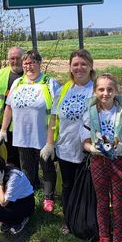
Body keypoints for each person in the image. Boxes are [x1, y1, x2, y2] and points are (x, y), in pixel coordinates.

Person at [80, 73, 122, 242]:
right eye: (101, 89)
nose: (105, 93)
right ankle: (104, 239)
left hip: (119, 161)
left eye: (110, 89)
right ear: (95, 91)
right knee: (102, 201)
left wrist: (120, 146)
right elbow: (85, 140)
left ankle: (118, 240)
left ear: (116, 91)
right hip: (98, 162)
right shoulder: (90, 112)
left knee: (118, 202)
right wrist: (92, 149)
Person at [0, 49, 60, 213]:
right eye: (25, 63)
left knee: (46, 167)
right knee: (26, 168)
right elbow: (8, 107)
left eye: (32, 62)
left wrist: (51, 141)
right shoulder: (17, 83)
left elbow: (56, 113)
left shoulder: (49, 83)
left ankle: (48, 198)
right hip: (22, 135)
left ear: (39, 63)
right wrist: (4, 129)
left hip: (43, 135)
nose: (28, 66)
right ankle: (29, 194)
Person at [41, 49, 95, 232]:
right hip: (65, 148)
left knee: (87, 188)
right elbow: (53, 119)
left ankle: (85, 222)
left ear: (91, 66)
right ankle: (69, 220)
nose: (79, 68)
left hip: (88, 150)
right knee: (67, 186)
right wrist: (50, 143)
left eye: (83, 64)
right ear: (70, 68)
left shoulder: (96, 89)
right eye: (75, 64)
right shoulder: (64, 89)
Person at [0, 153, 35, 235]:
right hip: (11, 201)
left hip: (24, 203)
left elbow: (3, 202)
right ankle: (8, 220)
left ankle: (20, 220)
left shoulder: (14, 176)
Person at [0, 47, 24, 166]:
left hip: (24, 120)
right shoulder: (2, 73)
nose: (15, 61)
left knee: (24, 154)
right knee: (10, 152)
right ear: (8, 59)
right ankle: (13, 178)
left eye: (18, 58)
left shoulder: (29, 73)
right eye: (12, 58)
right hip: (6, 120)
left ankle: (29, 180)